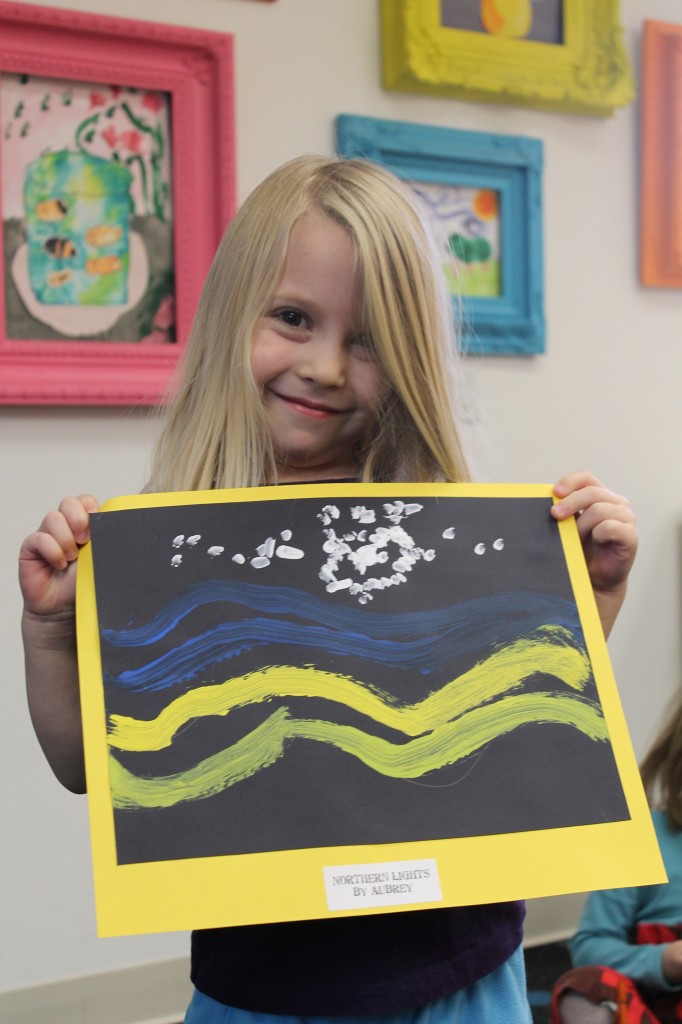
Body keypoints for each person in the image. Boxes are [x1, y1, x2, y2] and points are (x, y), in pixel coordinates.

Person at [19, 156, 638, 1024]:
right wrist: (50, 633)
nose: (326, 367)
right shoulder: (166, 547)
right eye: (293, 318)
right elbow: (90, 768)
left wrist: (590, 598)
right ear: (233, 313)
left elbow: (519, 722)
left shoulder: (444, 527)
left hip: (459, 979)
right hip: (260, 991)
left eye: (369, 339)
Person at [551, 693, 682, 1024]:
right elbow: (590, 946)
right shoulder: (644, 840)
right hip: (650, 1005)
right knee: (584, 986)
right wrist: (665, 960)